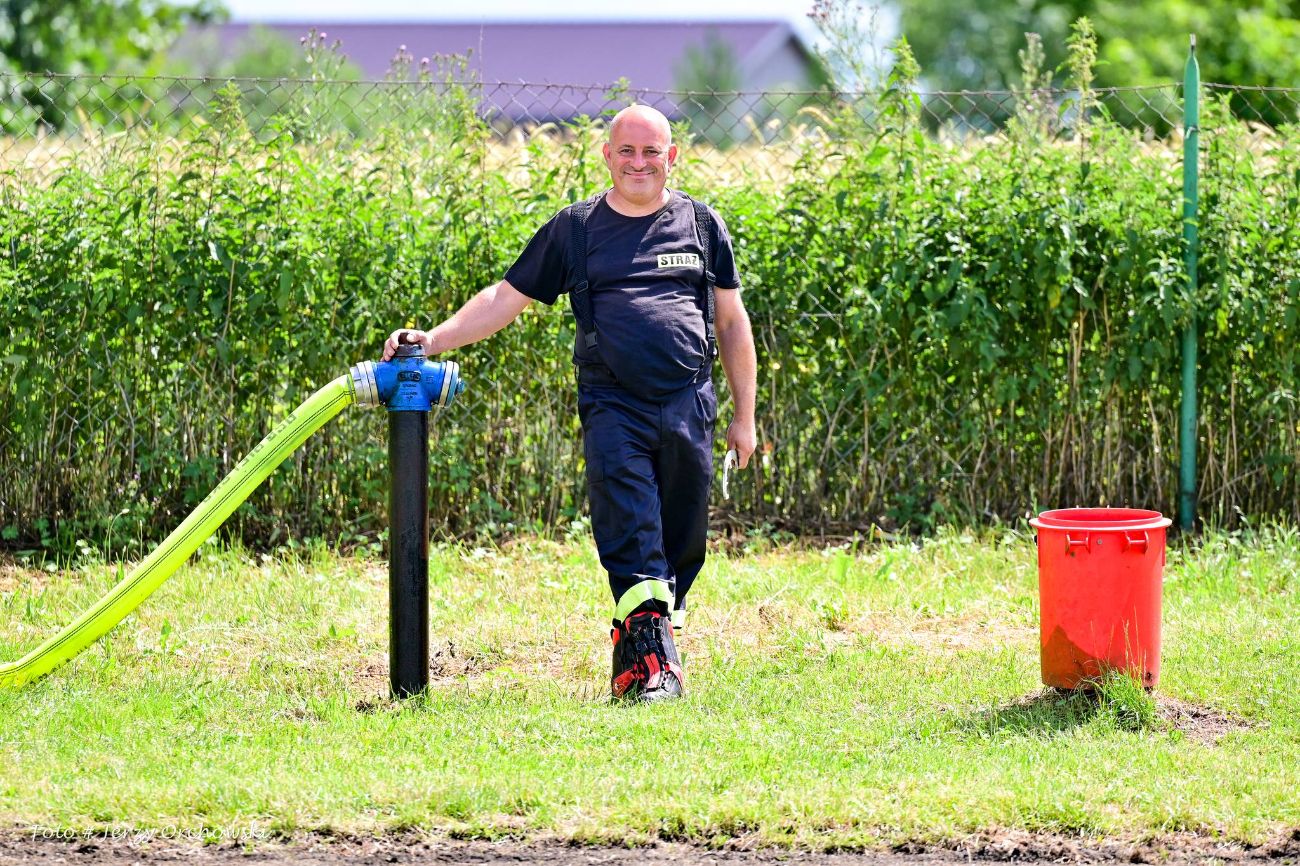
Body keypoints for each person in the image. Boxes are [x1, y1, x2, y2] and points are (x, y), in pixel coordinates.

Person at [383, 104, 757, 703]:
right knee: (633, 527)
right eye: (627, 152)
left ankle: (655, 638)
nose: (640, 163)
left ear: (672, 157)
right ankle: (648, 671)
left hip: (690, 401)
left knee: (683, 540)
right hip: (614, 405)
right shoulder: (576, 229)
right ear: (607, 156)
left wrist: (745, 416)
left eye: (651, 152)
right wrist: (434, 339)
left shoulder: (702, 225)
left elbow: (733, 322)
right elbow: (504, 298)